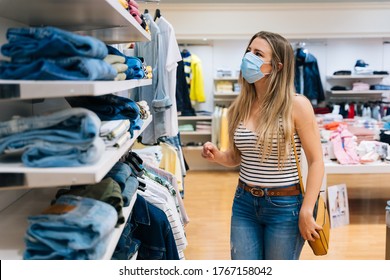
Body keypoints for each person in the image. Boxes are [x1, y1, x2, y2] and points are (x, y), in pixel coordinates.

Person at [201, 31, 324, 260]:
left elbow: (316, 161)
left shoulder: (297, 105)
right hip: (244, 203)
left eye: (258, 53)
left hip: (286, 207)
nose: (249, 57)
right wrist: (218, 156)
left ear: (277, 66)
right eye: (248, 51)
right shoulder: (240, 106)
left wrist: (307, 209)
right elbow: (237, 158)